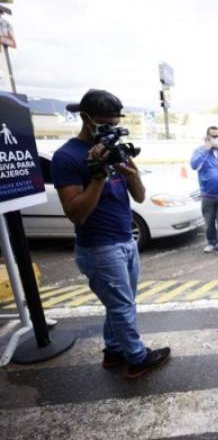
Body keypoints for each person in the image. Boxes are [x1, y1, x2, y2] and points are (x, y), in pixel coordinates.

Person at [51, 89, 170, 379]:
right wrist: (99, 174)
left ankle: (114, 350)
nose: (110, 130)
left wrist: (132, 174)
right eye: (104, 123)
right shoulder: (66, 157)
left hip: (125, 240)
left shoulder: (116, 148)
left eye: (115, 124)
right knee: (121, 306)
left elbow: (140, 197)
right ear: (85, 118)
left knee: (119, 304)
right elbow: (76, 213)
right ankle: (137, 358)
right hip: (99, 247)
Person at [190, 126, 218, 257]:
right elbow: (194, 165)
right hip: (208, 195)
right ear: (207, 138)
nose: (217, 139)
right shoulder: (200, 151)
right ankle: (211, 242)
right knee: (209, 223)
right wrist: (206, 149)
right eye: (214, 136)